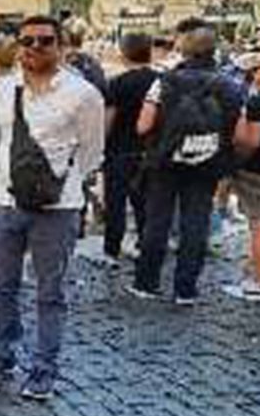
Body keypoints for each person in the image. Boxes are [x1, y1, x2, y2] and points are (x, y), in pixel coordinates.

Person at [0, 15, 105, 400]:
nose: (35, 47)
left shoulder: (83, 94)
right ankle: (2, 353)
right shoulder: (2, 88)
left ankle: (44, 368)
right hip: (5, 200)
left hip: (58, 207)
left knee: (50, 291)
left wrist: (58, 183)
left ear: (60, 46)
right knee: (2, 285)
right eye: (27, 40)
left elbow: (92, 151)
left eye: (45, 40)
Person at [131, 21, 243, 304]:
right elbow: (238, 131)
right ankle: (185, 289)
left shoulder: (165, 81)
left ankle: (146, 282)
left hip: (165, 160)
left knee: (157, 222)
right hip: (207, 161)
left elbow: (143, 125)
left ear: (184, 49)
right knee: (196, 224)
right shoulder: (229, 85)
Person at [103, 33, 159, 259]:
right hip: (151, 150)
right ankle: (146, 246)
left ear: (123, 54)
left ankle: (112, 249)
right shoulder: (161, 80)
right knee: (145, 204)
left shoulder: (117, 83)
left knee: (115, 203)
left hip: (119, 150)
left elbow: (108, 120)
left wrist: (101, 146)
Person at [230, 68, 260, 300]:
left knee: (257, 225)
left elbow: (251, 141)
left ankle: (256, 281)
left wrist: (237, 159)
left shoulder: (255, 102)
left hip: (255, 171)